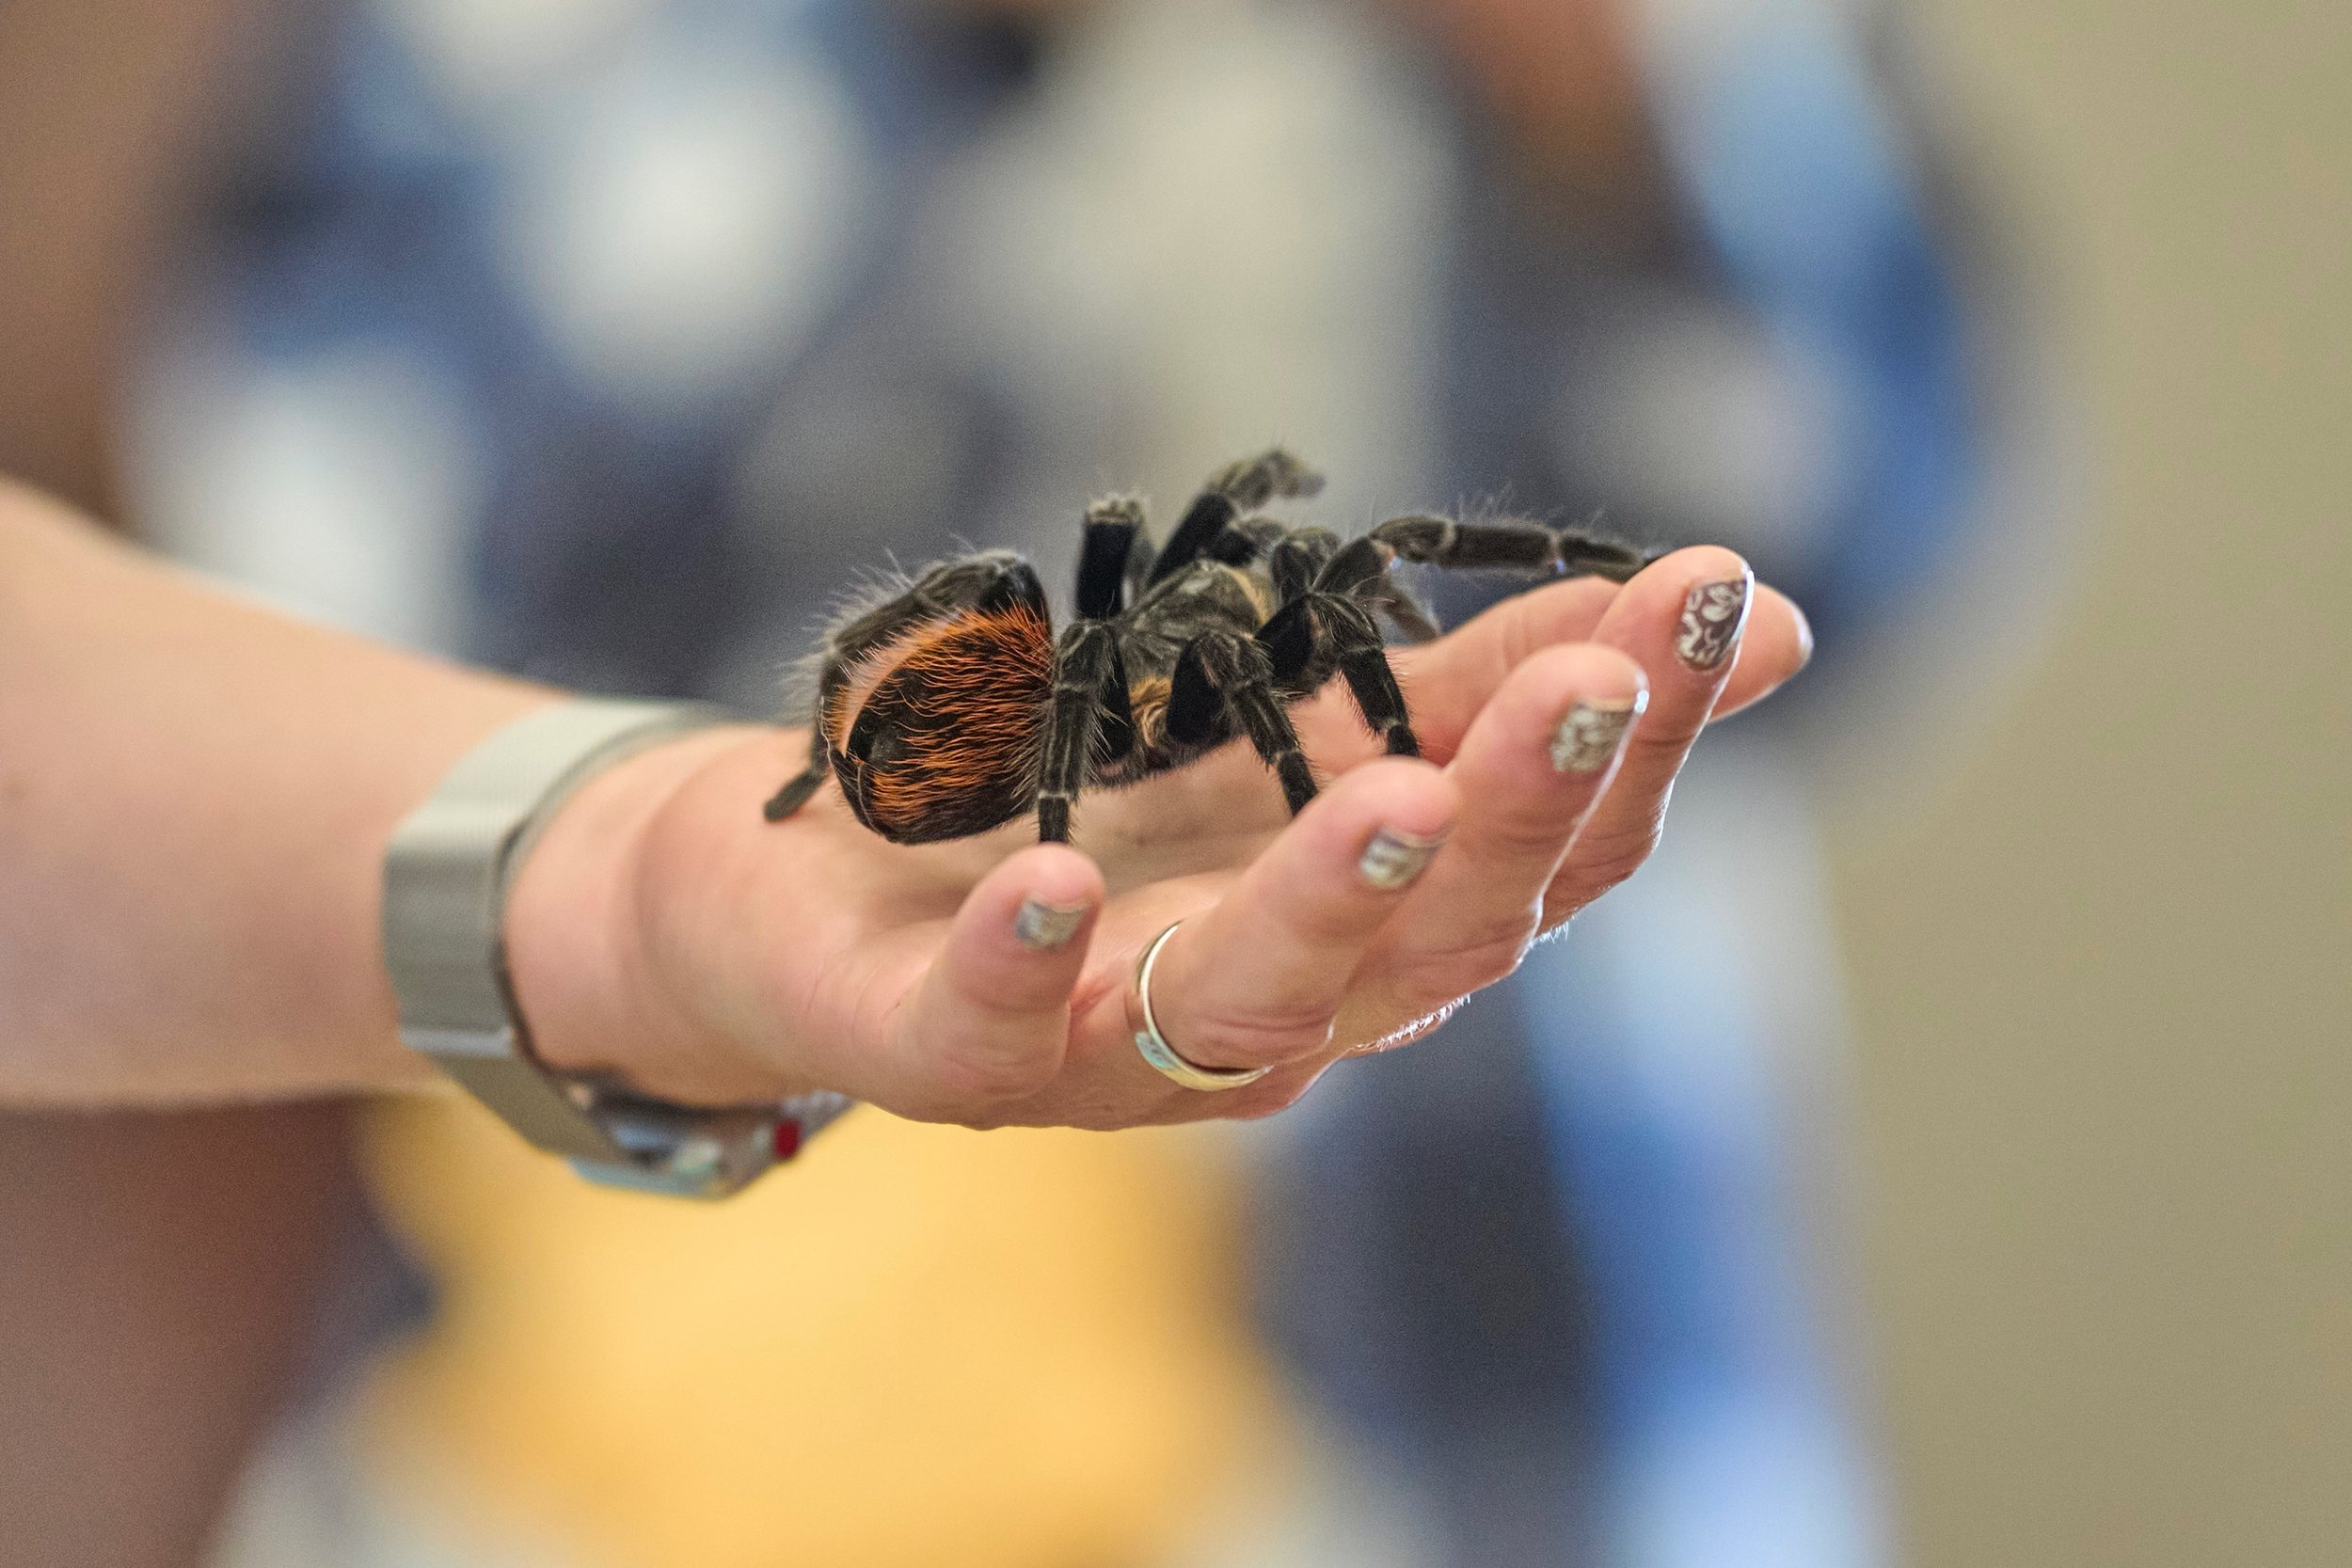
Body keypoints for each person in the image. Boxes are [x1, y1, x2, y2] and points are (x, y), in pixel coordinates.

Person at [0, 472, 1808, 1122]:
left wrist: (633, 859)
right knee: (1056, 610)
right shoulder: (1099, 675)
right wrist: (1070, 828)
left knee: (1321, 563)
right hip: (987, 768)